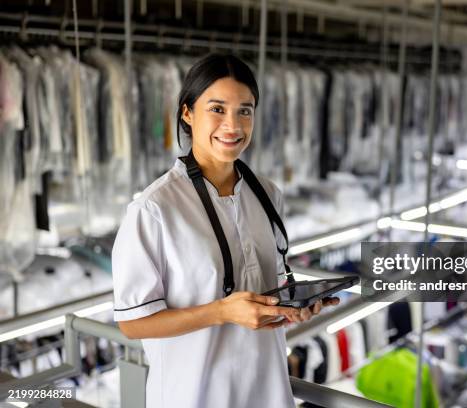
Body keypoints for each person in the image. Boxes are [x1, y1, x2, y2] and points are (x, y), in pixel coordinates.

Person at [111, 53, 339, 408]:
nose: (232, 125)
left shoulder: (267, 194)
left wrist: (292, 306)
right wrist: (221, 312)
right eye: (217, 109)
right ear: (188, 113)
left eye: (244, 110)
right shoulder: (155, 209)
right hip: (193, 396)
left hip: (267, 391)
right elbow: (133, 323)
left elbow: (268, 288)